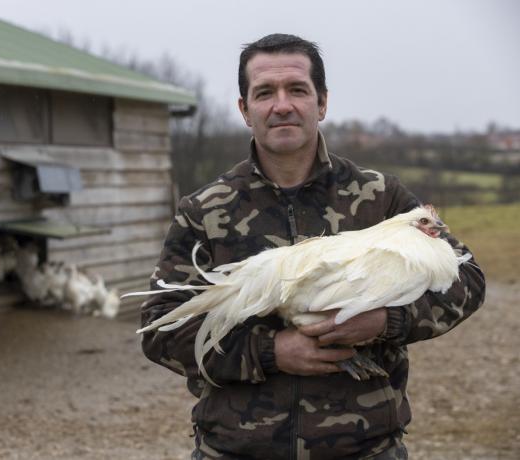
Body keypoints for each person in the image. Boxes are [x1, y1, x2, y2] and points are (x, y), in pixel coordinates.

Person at [140, 33, 486, 459]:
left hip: (365, 449)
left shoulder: (381, 197)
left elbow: (467, 279)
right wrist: (271, 352)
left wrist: (385, 320)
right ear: (245, 110)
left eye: (297, 90)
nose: (281, 104)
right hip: (236, 450)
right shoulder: (204, 210)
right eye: (264, 92)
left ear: (322, 103)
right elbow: (160, 329)